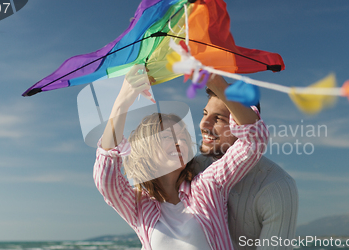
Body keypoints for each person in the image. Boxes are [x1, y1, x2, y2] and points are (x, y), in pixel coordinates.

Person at [93, 65, 269, 250]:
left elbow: (253, 141)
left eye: (183, 138)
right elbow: (106, 179)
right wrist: (123, 101)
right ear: (147, 149)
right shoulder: (139, 206)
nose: (179, 143)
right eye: (168, 137)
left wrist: (218, 85)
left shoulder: (207, 187)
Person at [190, 76, 299, 250]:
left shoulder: (277, 186)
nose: (203, 124)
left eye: (218, 118)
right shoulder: (191, 169)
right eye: (205, 114)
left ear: (240, 124)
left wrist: (218, 84)